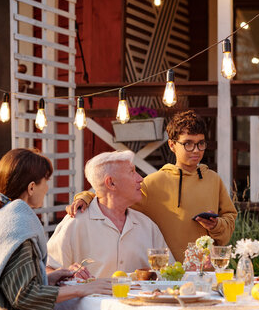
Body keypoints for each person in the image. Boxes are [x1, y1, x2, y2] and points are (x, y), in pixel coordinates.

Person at [0, 148, 111, 310]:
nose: (47, 188)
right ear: (31, 188)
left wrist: (50, 277)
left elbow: (5, 281)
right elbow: (24, 296)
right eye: (46, 181)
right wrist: (83, 289)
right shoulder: (17, 229)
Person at [67, 110, 237, 262]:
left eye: (201, 143)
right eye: (188, 143)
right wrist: (86, 197)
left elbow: (229, 220)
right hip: (167, 275)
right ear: (172, 145)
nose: (196, 150)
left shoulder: (213, 180)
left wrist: (216, 226)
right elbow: (113, 195)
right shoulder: (153, 183)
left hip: (206, 272)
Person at [47, 150, 174, 278]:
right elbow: (46, 271)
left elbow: (170, 273)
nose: (140, 179)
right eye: (132, 172)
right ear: (111, 183)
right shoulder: (75, 223)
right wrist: (67, 273)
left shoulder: (147, 226)